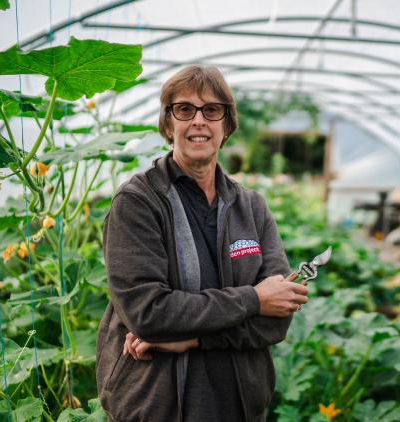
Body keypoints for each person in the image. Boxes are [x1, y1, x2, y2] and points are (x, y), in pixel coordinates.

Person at [95, 65, 309, 421]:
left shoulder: (251, 206)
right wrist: (253, 299)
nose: (199, 121)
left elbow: (277, 318)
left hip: (238, 404)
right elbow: (148, 313)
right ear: (168, 124)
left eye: (212, 110)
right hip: (157, 404)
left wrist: (193, 339)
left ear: (226, 125)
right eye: (184, 110)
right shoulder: (138, 202)